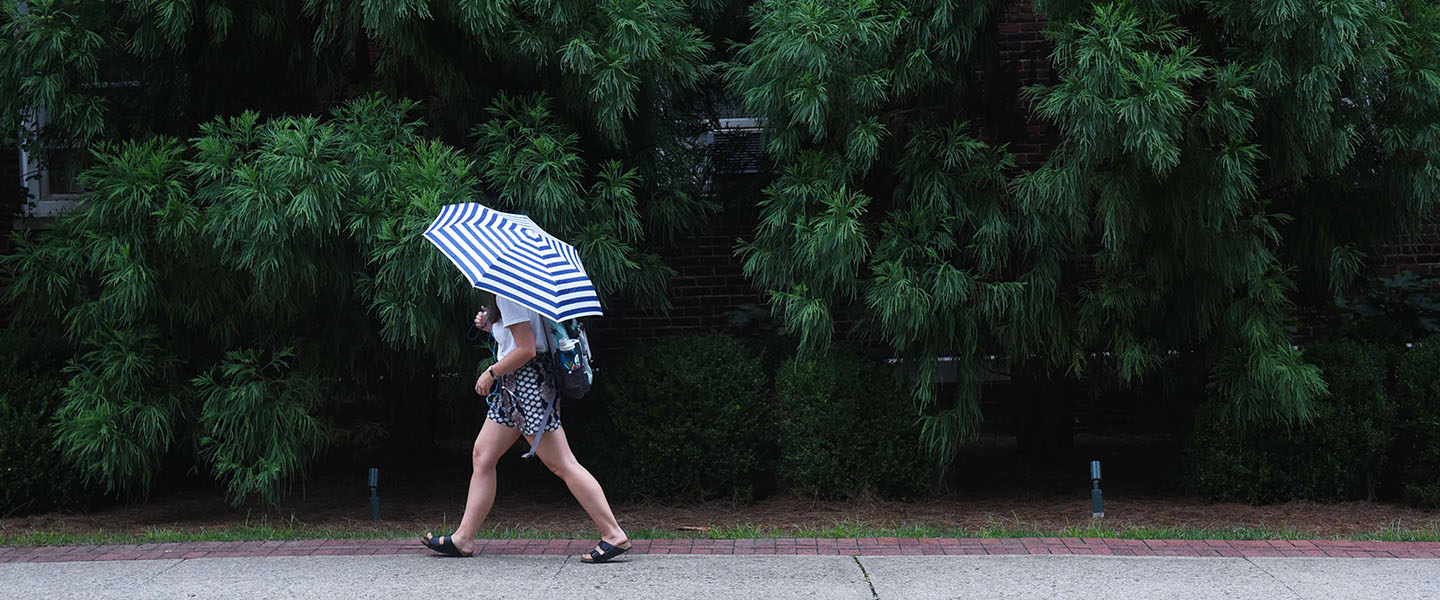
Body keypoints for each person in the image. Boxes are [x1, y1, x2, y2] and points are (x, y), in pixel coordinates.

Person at [422, 295, 629, 563]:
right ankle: (464, 538)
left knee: (563, 464)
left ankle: (613, 534)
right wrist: (493, 327)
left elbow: (527, 348)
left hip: (527, 384)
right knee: (483, 455)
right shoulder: (521, 290)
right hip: (518, 385)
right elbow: (525, 337)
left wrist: (491, 372)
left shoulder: (509, 293)